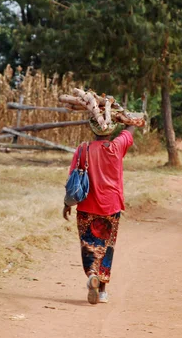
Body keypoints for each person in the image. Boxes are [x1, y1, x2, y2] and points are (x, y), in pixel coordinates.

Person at [63, 118, 136, 305]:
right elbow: (131, 128)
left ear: (92, 129)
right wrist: (126, 118)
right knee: (107, 246)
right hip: (111, 206)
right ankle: (102, 290)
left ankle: (92, 274)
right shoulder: (117, 146)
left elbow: (73, 177)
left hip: (87, 205)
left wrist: (67, 204)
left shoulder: (83, 149)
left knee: (89, 244)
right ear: (111, 130)